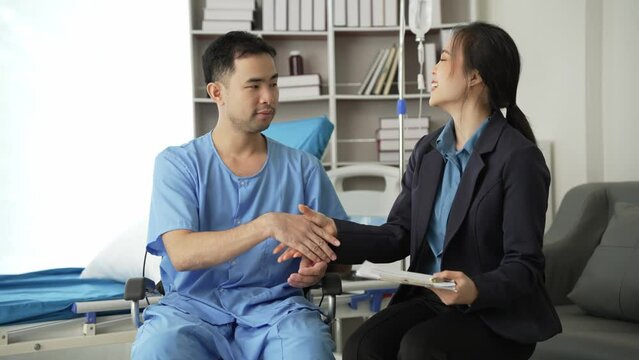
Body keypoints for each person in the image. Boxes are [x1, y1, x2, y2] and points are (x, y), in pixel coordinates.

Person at [289, 22, 562, 359]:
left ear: (475, 77)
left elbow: (526, 266)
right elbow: (399, 235)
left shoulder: (518, 158)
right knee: (362, 345)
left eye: (444, 59)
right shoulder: (428, 151)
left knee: (420, 349)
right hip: (432, 301)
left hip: (495, 313)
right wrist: (335, 232)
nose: (433, 69)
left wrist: (474, 288)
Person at [131, 31, 347, 360]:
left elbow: (341, 255)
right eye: (254, 85)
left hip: (278, 313)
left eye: (273, 84)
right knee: (158, 347)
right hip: (191, 312)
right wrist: (267, 225)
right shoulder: (178, 164)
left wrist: (321, 267)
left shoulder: (303, 168)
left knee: (310, 350)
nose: (269, 97)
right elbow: (182, 254)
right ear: (217, 92)